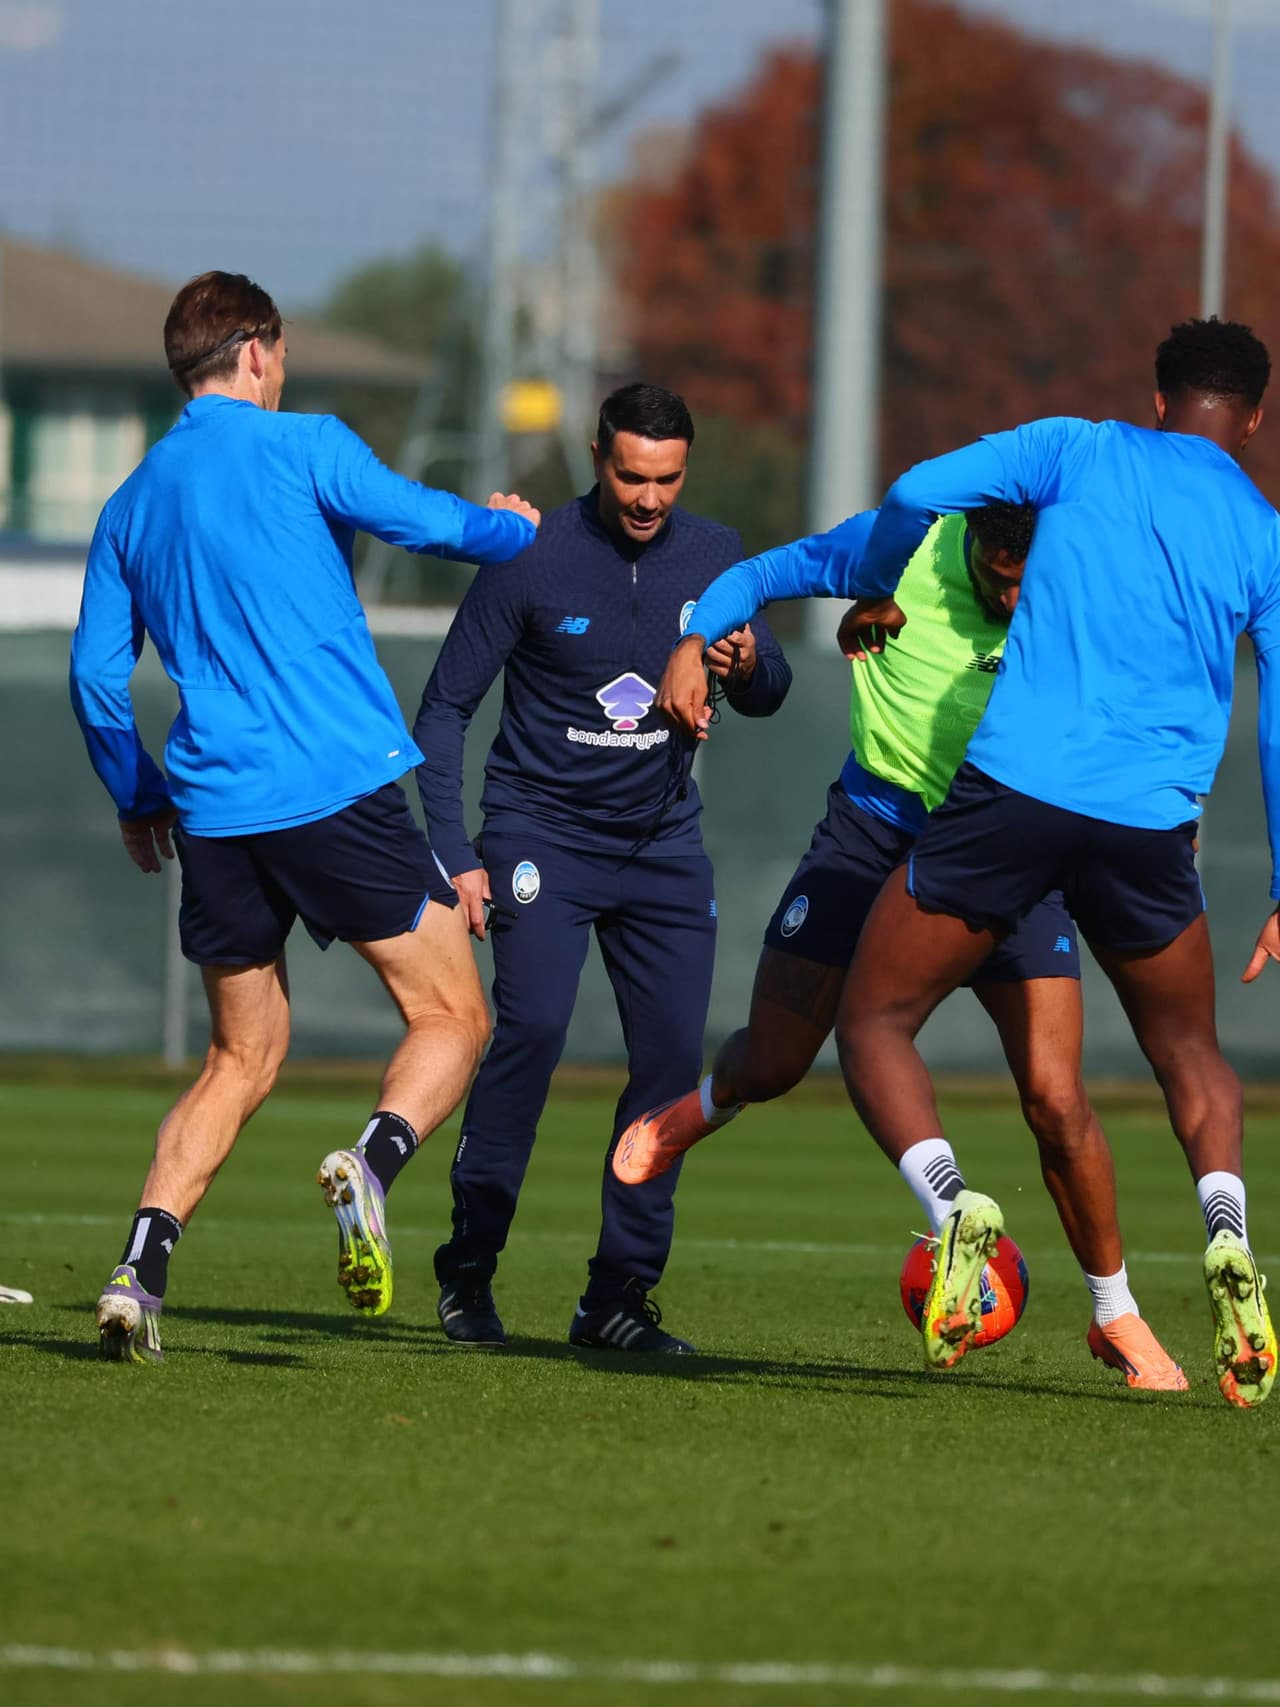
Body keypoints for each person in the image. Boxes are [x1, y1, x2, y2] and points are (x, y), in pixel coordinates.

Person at [70, 270, 539, 1364]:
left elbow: (97, 681)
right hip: (333, 788)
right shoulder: (304, 443)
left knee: (240, 1058)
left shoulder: (130, 501)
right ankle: (370, 1166)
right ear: (258, 351)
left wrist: (136, 793)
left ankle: (139, 1273)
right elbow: (423, 524)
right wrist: (508, 530)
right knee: (453, 1017)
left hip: (217, 812)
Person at [619, 502, 1185, 1389]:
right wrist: (693, 643)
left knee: (1056, 1096)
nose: (1014, 591)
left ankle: (1116, 1313)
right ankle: (704, 1105)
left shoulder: (1082, 580)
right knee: (773, 1060)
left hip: (1006, 849)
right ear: (973, 546)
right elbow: (757, 576)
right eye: (998, 573)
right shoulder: (902, 547)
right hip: (872, 832)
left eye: (1026, 576)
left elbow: (1150, 695)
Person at [819, 316, 1278, 1409]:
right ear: (1252, 420)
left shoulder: (1076, 447)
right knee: (1188, 1056)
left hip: (1011, 798)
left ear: (1157, 399)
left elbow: (916, 486)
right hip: (1147, 824)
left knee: (873, 1021)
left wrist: (880, 579)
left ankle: (953, 1204)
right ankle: (1224, 1230)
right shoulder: (1261, 531)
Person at [408, 383, 792, 1353]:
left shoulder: (713, 556)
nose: (648, 497)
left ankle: (615, 1298)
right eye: (630, 474)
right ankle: (468, 1269)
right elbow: (444, 707)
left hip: (662, 846)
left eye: (666, 478)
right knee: (529, 1033)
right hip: (541, 837)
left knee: (667, 1070)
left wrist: (745, 666)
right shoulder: (529, 556)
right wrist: (453, 852)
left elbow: (771, 688)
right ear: (594, 456)